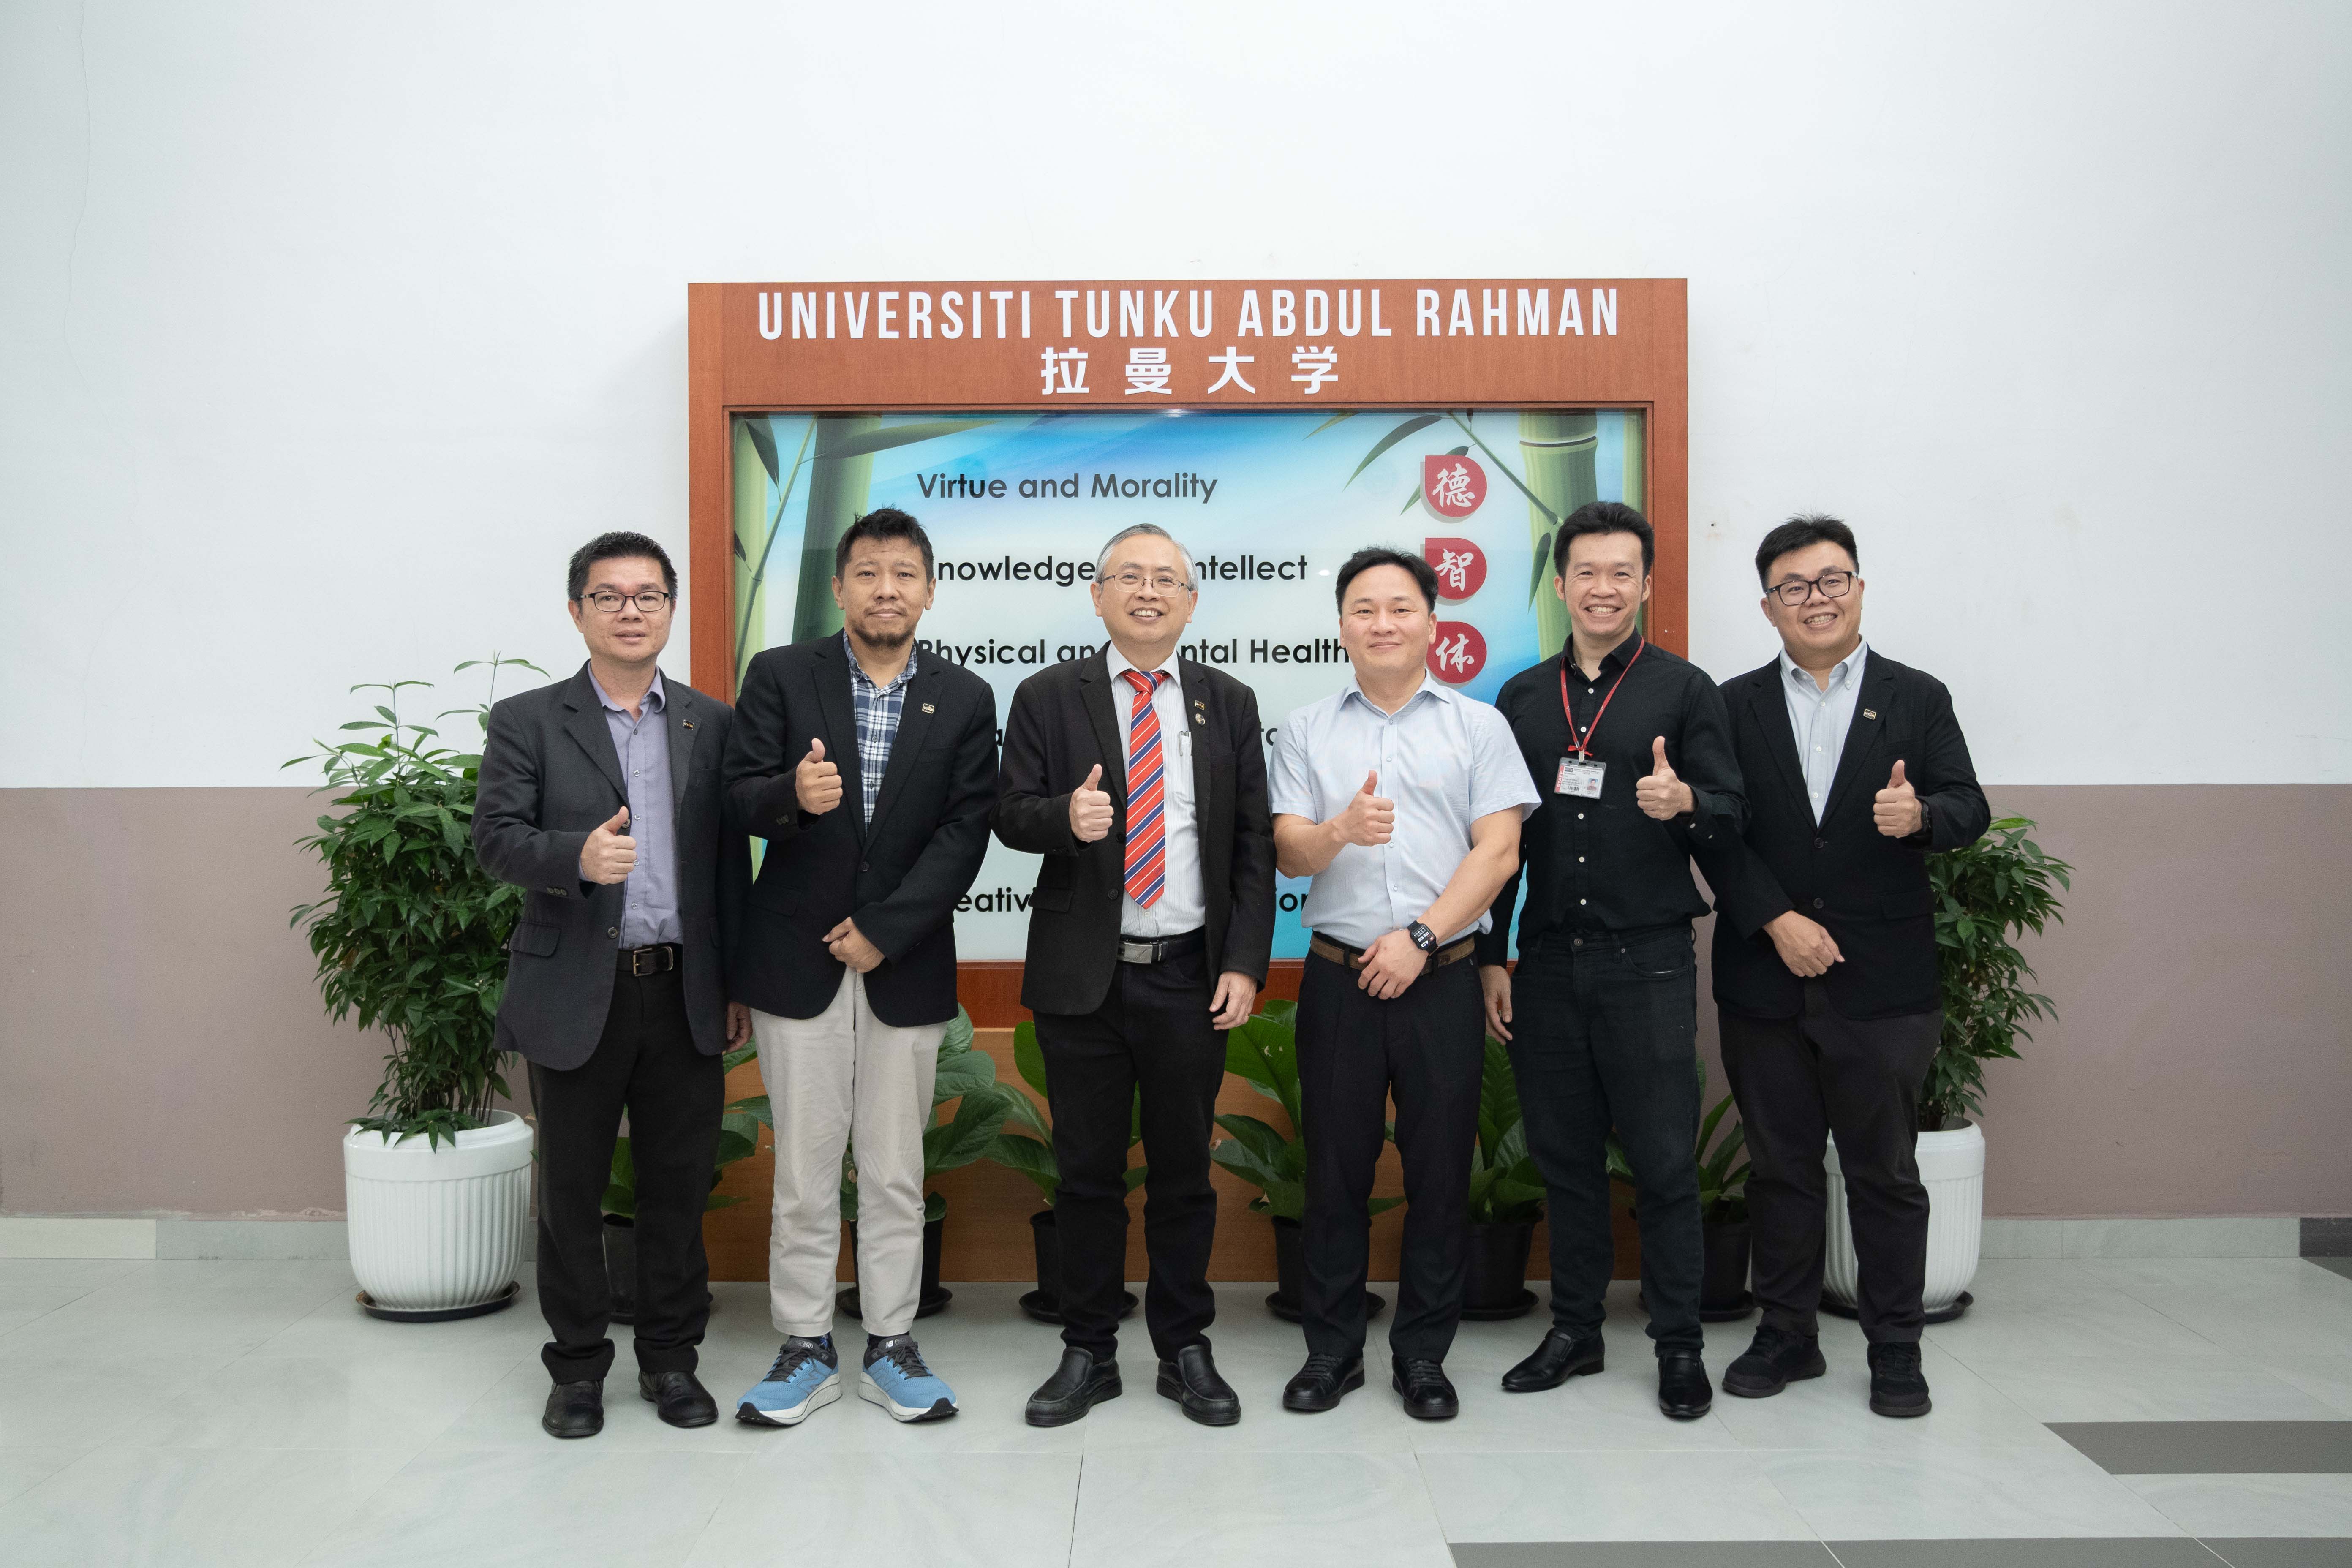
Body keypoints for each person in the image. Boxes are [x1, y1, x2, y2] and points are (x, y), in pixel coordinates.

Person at [720, 507, 998, 1428]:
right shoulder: (781, 675)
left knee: (892, 1168)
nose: (887, 589)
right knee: (804, 1167)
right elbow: (738, 799)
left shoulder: (962, 696)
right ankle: (804, 1345)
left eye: (905, 573)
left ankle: (890, 1344)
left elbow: (965, 833)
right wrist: (790, 798)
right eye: (869, 572)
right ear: (839, 587)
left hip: (902, 962)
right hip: (793, 959)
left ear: (928, 589)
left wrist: (886, 927)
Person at [994, 524, 1276, 1428]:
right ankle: (1088, 1348)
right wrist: (1061, 815)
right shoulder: (1047, 694)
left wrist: (1243, 961)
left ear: (1191, 601)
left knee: (1185, 1173)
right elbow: (1007, 814)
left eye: (1167, 579)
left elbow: (1252, 846)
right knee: (1086, 1175)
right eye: (1130, 576)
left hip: (1190, 972)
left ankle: (1185, 1346)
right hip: (1087, 977)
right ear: (1098, 592)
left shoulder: (1227, 700)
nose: (1148, 591)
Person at [1707, 514, 1987, 1418]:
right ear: (1767, 605)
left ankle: (1896, 1346)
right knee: (1781, 1166)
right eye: (1795, 585)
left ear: (1860, 588)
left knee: (1884, 1170)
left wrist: (1926, 817)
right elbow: (1719, 828)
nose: (1816, 597)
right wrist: (1776, 918)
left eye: (1832, 579)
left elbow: (1968, 803)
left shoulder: (1917, 696)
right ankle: (1787, 1333)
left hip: (1883, 980)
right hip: (1765, 971)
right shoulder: (1733, 701)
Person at [473, 530, 751, 1440]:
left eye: (648, 595)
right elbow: (496, 840)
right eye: (610, 596)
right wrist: (577, 857)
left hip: (681, 988)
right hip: (576, 993)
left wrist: (734, 981)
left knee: (677, 1189)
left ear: (671, 608)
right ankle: (578, 1369)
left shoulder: (711, 721)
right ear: (577, 610)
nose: (630, 610)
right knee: (570, 1193)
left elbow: (728, 866)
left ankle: (672, 1361)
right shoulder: (527, 719)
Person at [1479, 500, 1745, 1421]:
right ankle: (1577, 1330)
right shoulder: (1518, 698)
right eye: (1586, 571)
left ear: (1644, 583)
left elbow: (1733, 810)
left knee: (1667, 1161)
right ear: (1560, 584)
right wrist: (1491, 953)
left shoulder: (1685, 690)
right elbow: (1498, 839)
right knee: (1566, 1162)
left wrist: (1688, 802)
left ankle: (1678, 1345)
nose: (1603, 587)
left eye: (1621, 572)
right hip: (1547, 961)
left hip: (1650, 961)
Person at [1269, 547, 1537, 1422]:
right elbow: (1288, 851)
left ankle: (1424, 1352)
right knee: (1337, 1173)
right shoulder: (1307, 728)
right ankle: (1332, 1351)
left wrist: (1423, 937)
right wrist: (1340, 827)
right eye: (1363, 608)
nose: (1382, 622)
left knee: (1438, 1174)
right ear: (1341, 623)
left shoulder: (1477, 725)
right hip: (1340, 979)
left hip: (1443, 978)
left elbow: (1499, 851)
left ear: (1432, 619)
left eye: (1399, 606)